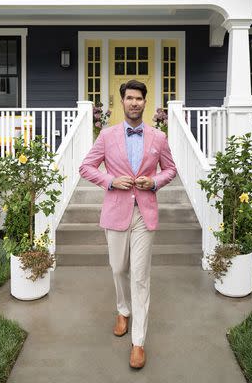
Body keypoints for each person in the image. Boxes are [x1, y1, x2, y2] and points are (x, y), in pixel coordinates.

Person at [79, 79, 177, 369]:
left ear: (145, 103)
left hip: (144, 213)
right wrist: (110, 181)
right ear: (122, 102)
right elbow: (85, 166)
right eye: (129, 98)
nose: (134, 102)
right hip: (116, 210)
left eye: (139, 98)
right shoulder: (107, 136)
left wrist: (154, 181)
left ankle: (138, 342)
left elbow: (170, 169)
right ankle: (123, 309)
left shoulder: (158, 138)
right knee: (118, 267)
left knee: (140, 275)